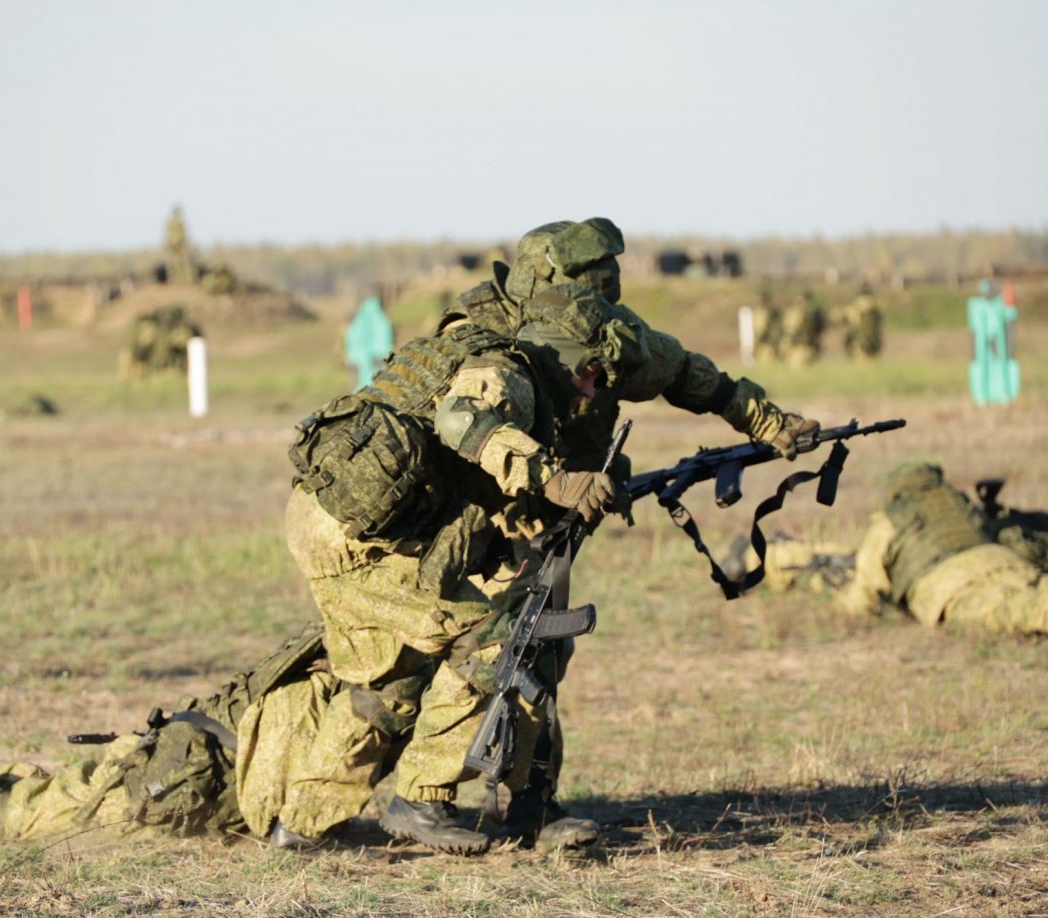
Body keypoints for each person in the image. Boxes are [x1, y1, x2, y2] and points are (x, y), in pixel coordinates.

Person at [280, 217, 818, 855]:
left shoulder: (597, 335)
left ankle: (324, 823)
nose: (597, 388)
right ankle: (419, 798)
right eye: (587, 377)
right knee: (488, 643)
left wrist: (771, 423)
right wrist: (559, 481)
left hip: (422, 521)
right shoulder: (505, 363)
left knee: (478, 657)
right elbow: (461, 420)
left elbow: (691, 377)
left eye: (607, 377)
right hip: (355, 533)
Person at [0, 627, 347, 845]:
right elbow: (275, 807)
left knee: (59, 790)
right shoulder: (346, 691)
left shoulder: (336, 652)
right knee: (11, 820)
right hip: (169, 783)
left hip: (180, 763)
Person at [731, 462, 1048, 640]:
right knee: (1033, 584)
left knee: (993, 609)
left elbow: (864, 592)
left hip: (945, 582)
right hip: (999, 560)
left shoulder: (890, 521)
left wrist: (850, 602)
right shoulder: (960, 505)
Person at [841, 283, 883, 360]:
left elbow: (843, 318)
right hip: (875, 346)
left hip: (859, 348)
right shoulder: (876, 308)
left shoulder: (855, 308)